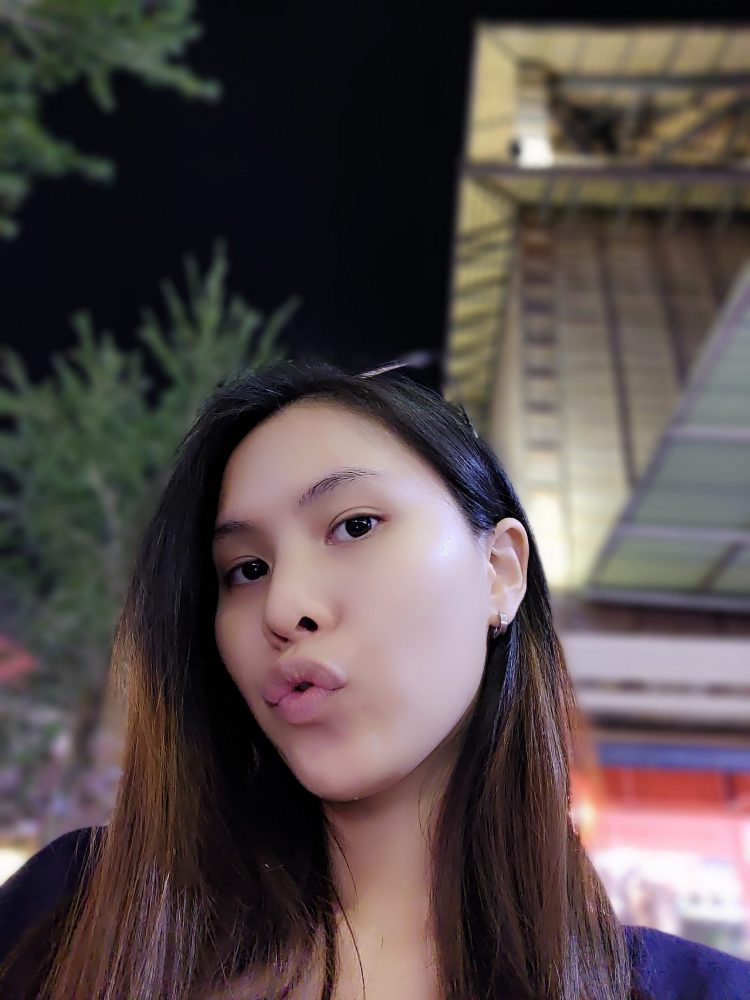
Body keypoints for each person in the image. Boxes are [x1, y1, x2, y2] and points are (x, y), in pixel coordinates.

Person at [0, 357, 748, 999]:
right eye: (246, 570)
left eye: (354, 526)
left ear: (499, 570)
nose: (284, 607)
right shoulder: (71, 914)